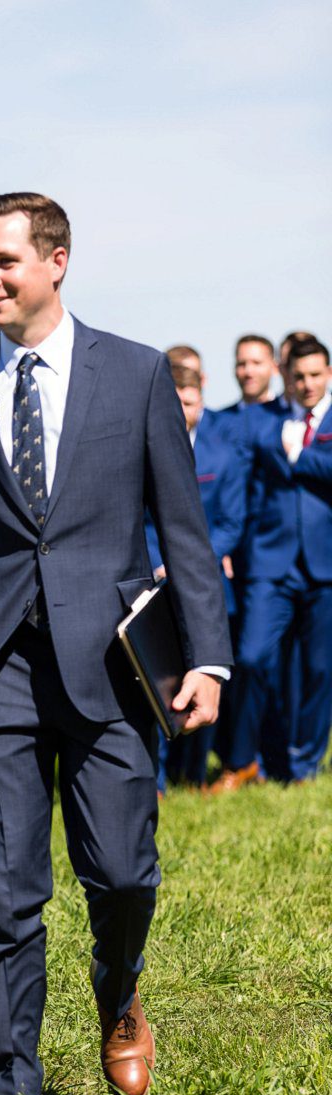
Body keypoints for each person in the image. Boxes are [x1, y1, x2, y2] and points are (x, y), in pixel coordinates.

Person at [0, 192, 229, 1095]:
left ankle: (119, 996)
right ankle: (14, 1084)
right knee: (9, 889)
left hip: (114, 670)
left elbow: (184, 531)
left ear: (57, 261)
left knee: (121, 873)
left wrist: (210, 659)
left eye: (4, 262)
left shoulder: (136, 374)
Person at [217, 337, 332, 787]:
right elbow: (241, 486)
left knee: (321, 670)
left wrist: (299, 456)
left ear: (328, 373)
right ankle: (242, 761)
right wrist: (230, 546)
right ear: (285, 375)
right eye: (298, 376)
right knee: (251, 657)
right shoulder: (261, 422)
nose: (306, 384)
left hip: (326, 565)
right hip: (270, 562)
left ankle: (302, 766)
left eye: (316, 375)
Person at [153, 356, 247, 788]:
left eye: (190, 402)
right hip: (151, 580)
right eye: (176, 401)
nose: (183, 410)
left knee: (203, 676)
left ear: (201, 401)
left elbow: (231, 523)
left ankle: (191, 774)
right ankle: (154, 778)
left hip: (202, 582)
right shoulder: (142, 448)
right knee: (155, 680)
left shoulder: (222, 456)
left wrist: (188, 565)